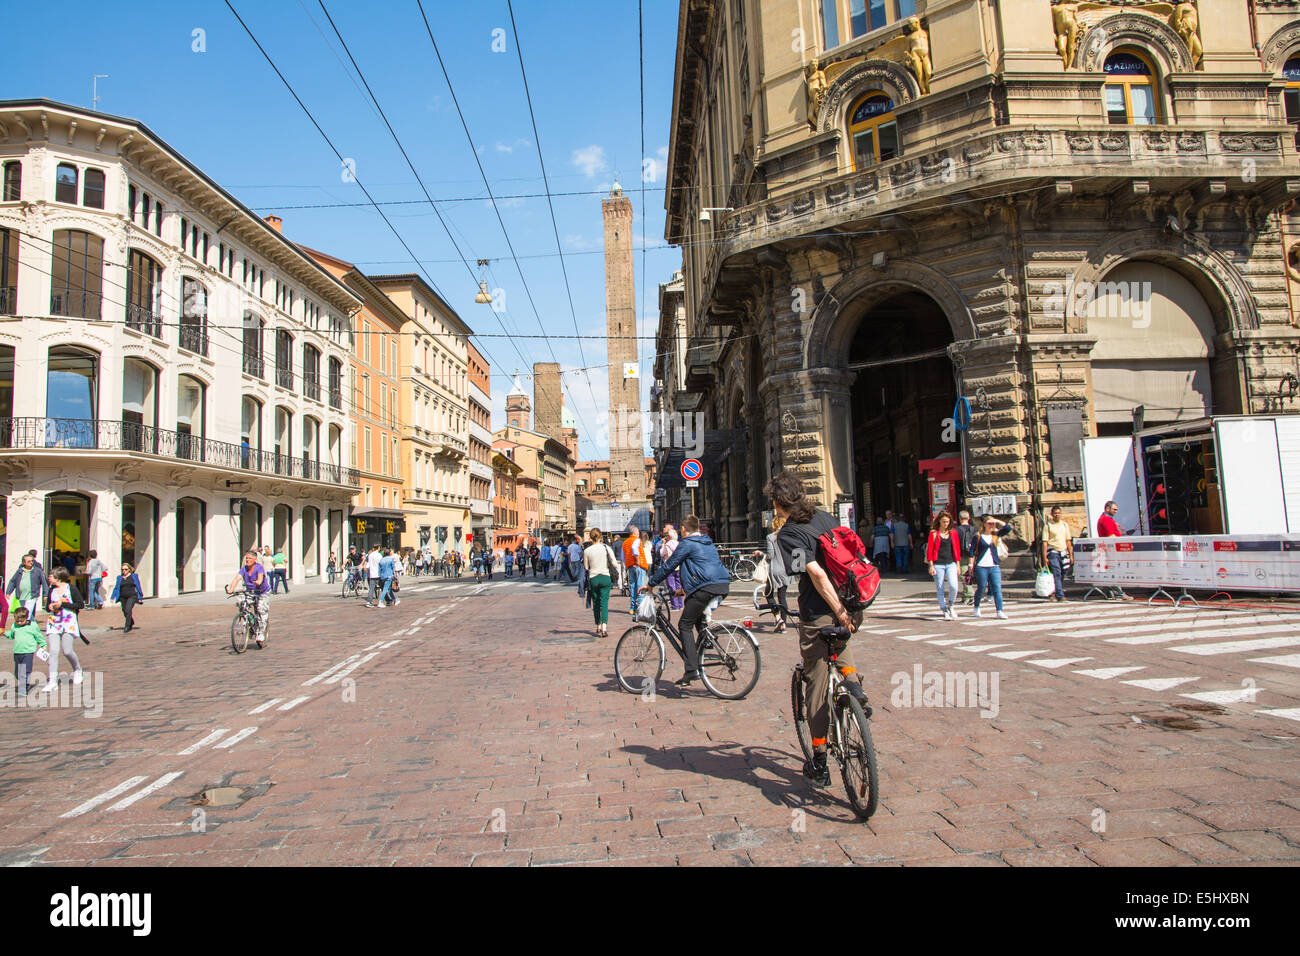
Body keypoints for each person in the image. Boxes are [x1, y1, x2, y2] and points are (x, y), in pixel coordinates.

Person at [765, 471, 864, 788]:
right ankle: (854, 686)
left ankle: (819, 760)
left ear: (779, 503)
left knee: (816, 684)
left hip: (821, 612)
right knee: (843, 650)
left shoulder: (790, 534)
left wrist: (835, 609)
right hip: (854, 603)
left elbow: (817, 575)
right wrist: (847, 610)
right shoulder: (827, 517)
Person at [641, 514, 731, 687]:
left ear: (683, 529)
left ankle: (691, 669)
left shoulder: (687, 544)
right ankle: (703, 648)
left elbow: (669, 565)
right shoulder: (707, 541)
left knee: (684, 625)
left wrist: (651, 583)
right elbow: (702, 567)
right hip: (722, 585)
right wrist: (681, 591)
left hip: (705, 588)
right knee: (698, 620)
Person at [43, 567, 85, 690]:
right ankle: (52, 681)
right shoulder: (51, 590)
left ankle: (77, 669)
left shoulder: (71, 588)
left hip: (68, 622)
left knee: (67, 651)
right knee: (53, 651)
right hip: (53, 623)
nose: (49, 578)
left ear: (58, 577)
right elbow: (47, 607)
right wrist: (50, 606)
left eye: (51, 576)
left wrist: (63, 604)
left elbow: (80, 604)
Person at [224, 550, 270, 647]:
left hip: (261, 592)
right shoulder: (244, 569)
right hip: (250, 591)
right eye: (246, 558)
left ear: (254, 560)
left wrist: (258, 581)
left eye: (249, 558)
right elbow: (237, 578)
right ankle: (247, 620)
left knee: (261, 610)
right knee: (241, 602)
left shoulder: (259, 567)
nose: (247, 560)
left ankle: (261, 632)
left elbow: (260, 578)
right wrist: (231, 588)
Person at [968, 515, 1009, 620]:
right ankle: (976, 607)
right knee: (981, 588)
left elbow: (1008, 528)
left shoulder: (995, 535)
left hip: (994, 565)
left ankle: (999, 610)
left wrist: (997, 520)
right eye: (989, 523)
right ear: (984, 524)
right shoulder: (978, 536)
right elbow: (972, 552)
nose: (991, 525)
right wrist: (970, 565)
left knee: (997, 589)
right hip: (981, 566)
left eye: (993, 524)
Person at [756, 514, 791, 632]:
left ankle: (777, 617)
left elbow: (771, 555)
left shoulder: (771, 537)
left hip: (775, 570)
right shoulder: (788, 536)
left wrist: (762, 554)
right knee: (782, 597)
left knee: (768, 594)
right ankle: (784, 625)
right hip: (786, 570)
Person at [926, 511, 962, 621]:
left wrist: (958, 564)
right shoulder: (934, 534)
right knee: (940, 588)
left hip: (951, 563)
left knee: (954, 586)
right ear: (939, 522)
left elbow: (956, 549)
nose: (946, 524)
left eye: (947, 521)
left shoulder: (953, 533)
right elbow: (930, 551)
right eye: (944, 522)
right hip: (938, 564)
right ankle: (944, 609)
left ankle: (951, 604)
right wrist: (931, 565)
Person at [584, 529, 620, 638]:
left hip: (594, 578)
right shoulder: (606, 548)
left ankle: (598, 625)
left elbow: (586, 567)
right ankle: (604, 627)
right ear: (600, 537)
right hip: (605, 577)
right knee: (604, 603)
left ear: (590, 537)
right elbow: (614, 563)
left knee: (596, 602)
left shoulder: (587, 550)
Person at [6, 606, 46, 695]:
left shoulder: (32, 625)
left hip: (28, 652)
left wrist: (43, 645)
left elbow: (38, 636)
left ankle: (23, 690)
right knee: (17, 673)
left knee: (25, 671)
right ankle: (25, 683)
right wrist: (5, 633)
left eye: (21, 621)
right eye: (17, 621)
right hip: (17, 652)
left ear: (26, 618)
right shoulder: (14, 625)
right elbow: (11, 635)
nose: (19, 623)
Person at [1040, 506, 1073, 602]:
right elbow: (1045, 542)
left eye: (1059, 513)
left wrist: (1070, 554)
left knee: (1063, 572)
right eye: (1055, 513)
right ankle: (1060, 595)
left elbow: (1068, 541)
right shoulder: (1048, 526)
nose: (1057, 515)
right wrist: (1044, 556)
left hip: (1063, 551)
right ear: (1052, 514)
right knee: (1057, 572)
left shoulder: (1064, 525)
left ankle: (1054, 591)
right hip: (1053, 551)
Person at [6, 552, 48, 619]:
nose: (31, 563)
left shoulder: (38, 571)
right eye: (29, 561)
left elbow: (44, 582)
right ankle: (31, 625)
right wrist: (8, 592)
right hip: (21, 596)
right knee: (26, 613)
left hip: (32, 596)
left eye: (32, 561)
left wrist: (45, 594)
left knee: (27, 613)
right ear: (24, 563)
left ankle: (28, 625)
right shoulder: (20, 571)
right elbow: (13, 581)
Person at [110, 562, 144, 633]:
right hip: (123, 597)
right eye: (122, 569)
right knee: (124, 610)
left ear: (129, 569)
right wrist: (112, 597)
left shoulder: (134, 576)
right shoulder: (119, 578)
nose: (124, 571)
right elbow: (116, 588)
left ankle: (127, 626)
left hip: (132, 596)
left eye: (125, 569)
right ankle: (131, 621)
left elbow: (138, 586)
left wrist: (140, 597)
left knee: (128, 609)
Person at [623, 528, 650, 616]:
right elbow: (634, 548)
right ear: (634, 532)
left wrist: (627, 564)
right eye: (638, 531)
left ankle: (632, 607)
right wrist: (637, 560)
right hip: (639, 565)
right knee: (640, 586)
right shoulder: (637, 540)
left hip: (630, 566)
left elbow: (623, 556)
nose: (639, 533)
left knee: (633, 586)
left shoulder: (625, 542)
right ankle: (640, 608)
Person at [659, 524, 684, 610]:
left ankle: (675, 605)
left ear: (669, 536)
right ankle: (680, 604)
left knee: (671, 586)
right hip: (678, 567)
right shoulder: (679, 544)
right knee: (679, 585)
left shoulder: (668, 544)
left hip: (670, 567)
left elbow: (662, 554)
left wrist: (663, 545)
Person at [955, 510, 977, 604]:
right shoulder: (974, 529)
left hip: (962, 555)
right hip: (973, 554)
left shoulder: (956, 530)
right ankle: (966, 595)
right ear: (969, 518)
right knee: (969, 575)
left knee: (964, 575)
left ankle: (970, 595)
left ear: (959, 519)